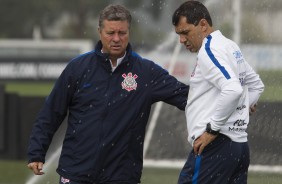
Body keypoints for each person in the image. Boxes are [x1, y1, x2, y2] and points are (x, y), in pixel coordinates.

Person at [27, 4, 189, 184]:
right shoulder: (78, 68)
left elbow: (187, 98)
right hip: (76, 173)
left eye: (122, 33)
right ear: (99, 32)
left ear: (129, 32)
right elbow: (51, 112)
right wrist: (36, 152)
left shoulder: (146, 72)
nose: (117, 39)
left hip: (121, 177)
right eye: (110, 33)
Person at [172, 1, 264, 184]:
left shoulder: (209, 50)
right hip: (238, 147)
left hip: (216, 147)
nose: (182, 40)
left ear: (203, 25)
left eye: (185, 32)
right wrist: (241, 109)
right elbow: (256, 85)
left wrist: (212, 130)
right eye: (178, 34)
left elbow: (233, 89)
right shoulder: (229, 46)